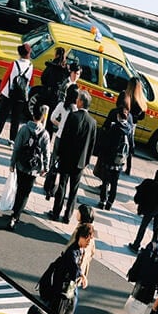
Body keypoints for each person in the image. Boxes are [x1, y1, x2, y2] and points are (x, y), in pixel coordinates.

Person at [50, 90, 97, 223]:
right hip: (80, 162)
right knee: (73, 190)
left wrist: (59, 155)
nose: (76, 101)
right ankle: (67, 216)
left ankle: (56, 212)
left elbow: (64, 137)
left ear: (81, 102)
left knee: (62, 186)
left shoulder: (73, 116)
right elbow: (92, 146)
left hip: (66, 158)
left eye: (78, 99)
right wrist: (86, 161)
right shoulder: (92, 123)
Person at [8, 103, 50, 230]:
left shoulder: (24, 129)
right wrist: (45, 167)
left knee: (19, 188)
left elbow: (16, 148)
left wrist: (12, 163)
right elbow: (46, 152)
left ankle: (15, 211)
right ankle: (16, 215)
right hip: (34, 168)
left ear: (33, 114)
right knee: (26, 192)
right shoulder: (45, 134)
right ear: (42, 117)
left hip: (21, 164)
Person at [39, 224, 91, 314]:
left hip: (69, 287)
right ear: (80, 237)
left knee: (69, 310)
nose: (88, 243)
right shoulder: (72, 252)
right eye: (87, 239)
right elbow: (74, 269)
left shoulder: (80, 250)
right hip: (62, 288)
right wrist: (83, 276)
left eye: (89, 240)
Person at [94, 101, 133, 211]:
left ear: (118, 116)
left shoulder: (115, 127)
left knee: (106, 181)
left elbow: (107, 142)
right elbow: (131, 145)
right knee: (115, 183)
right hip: (120, 161)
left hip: (109, 159)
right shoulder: (129, 129)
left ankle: (102, 201)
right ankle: (110, 204)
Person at [0, 43, 33, 141]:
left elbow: (6, 78)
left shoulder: (14, 64)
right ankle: (12, 139)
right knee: (16, 119)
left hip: (9, 93)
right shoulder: (31, 66)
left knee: (2, 115)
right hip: (21, 96)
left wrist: (0, 90)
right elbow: (31, 82)